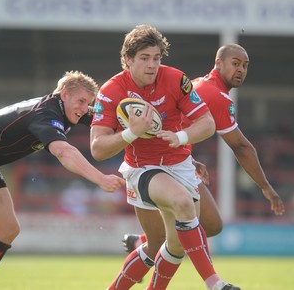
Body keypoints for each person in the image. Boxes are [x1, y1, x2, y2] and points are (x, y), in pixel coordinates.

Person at [0, 70, 125, 290]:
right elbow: (64, 152)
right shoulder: (45, 114)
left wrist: (136, 126)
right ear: (64, 94)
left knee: (8, 230)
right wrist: (100, 179)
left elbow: (106, 119)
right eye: (81, 101)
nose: (85, 108)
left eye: (89, 102)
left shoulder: (65, 108)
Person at [90, 24, 240, 289]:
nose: (152, 65)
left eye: (156, 58)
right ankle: (214, 282)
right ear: (128, 60)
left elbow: (206, 123)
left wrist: (181, 138)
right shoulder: (111, 91)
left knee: (174, 245)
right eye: (145, 58)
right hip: (142, 169)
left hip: (179, 165)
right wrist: (130, 133)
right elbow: (98, 148)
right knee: (182, 202)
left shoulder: (175, 79)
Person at [121, 43, 285, 254]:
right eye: (235, 64)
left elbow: (175, 124)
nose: (241, 70)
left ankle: (143, 242)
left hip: (169, 160)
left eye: (245, 65)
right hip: (158, 165)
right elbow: (241, 147)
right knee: (182, 235)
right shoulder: (217, 96)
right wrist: (265, 187)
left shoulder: (200, 84)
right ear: (218, 63)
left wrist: (189, 158)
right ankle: (209, 280)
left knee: (210, 225)